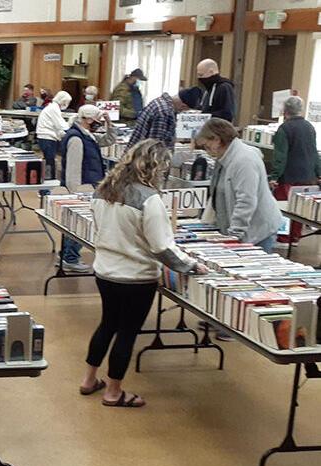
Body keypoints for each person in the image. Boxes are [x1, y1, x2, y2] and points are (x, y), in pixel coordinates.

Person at [79, 140, 207, 408]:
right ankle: (113, 393)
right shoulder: (150, 199)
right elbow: (161, 246)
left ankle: (89, 380)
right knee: (127, 332)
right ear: (156, 167)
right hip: (136, 277)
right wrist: (190, 265)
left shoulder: (103, 191)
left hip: (105, 272)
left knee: (107, 324)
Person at [193, 118, 283, 252]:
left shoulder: (243, 161)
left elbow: (246, 201)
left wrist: (234, 236)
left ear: (217, 140)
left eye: (207, 145)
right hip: (240, 230)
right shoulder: (224, 157)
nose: (207, 150)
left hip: (256, 232)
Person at [60, 105, 118, 273]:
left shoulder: (87, 135)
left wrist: (109, 124)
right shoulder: (76, 139)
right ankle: (70, 258)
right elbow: (73, 170)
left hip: (90, 183)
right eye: (97, 120)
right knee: (77, 222)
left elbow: (109, 140)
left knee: (74, 222)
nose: (98, 123)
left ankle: (66, 256)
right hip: (83, 187)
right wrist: (76, 195)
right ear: (87, 119)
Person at [270, 96, 321, 244]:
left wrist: (274, 176)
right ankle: (295, 237)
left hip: (289, 175)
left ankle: (283, 237)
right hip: (308, 176)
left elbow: (281, 156)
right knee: (299, 208)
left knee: (284, 207)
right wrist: (319, 173)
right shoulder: (310, 127)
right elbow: (314, 152)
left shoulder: (284, 129)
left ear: (285, 111)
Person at [127, 89, 198, 150]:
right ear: (183, 106)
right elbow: (155, 147)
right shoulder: (164, 113)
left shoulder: (159, 102)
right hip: (142, 161)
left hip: (136, 155)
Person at [35, 90, 72, 180]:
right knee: (49, 161)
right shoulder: (53, 109)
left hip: (46, 137)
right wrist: (71, 122)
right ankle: (48, 183)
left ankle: (49, 181)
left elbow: (57, 126)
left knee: (49, 161)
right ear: (63, 101)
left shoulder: (52, 107)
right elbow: (62, 126)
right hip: (47, 138)